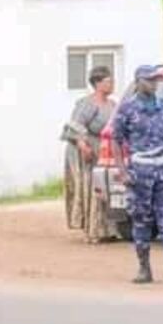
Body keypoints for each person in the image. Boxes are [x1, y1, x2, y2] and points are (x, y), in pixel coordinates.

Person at [111, 65, 163, 284]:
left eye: (156, 80)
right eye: (150, 80)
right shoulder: (127, 109)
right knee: (141, 220)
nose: (154, 84)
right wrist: (122, 171)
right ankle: (144, 268)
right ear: (138, 81)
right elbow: (116, 140)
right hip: (141, 170)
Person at [62, 66, 117, 243]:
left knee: (106, 189)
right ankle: (92, 230)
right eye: (108, 81)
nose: (111, 84)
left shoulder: (112, 105)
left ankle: (107, 229)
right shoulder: (87, 104)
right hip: (85, 150)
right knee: (91, 189)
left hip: (104, 151)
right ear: (98, 84)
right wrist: (83, 146)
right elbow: (74, 127)